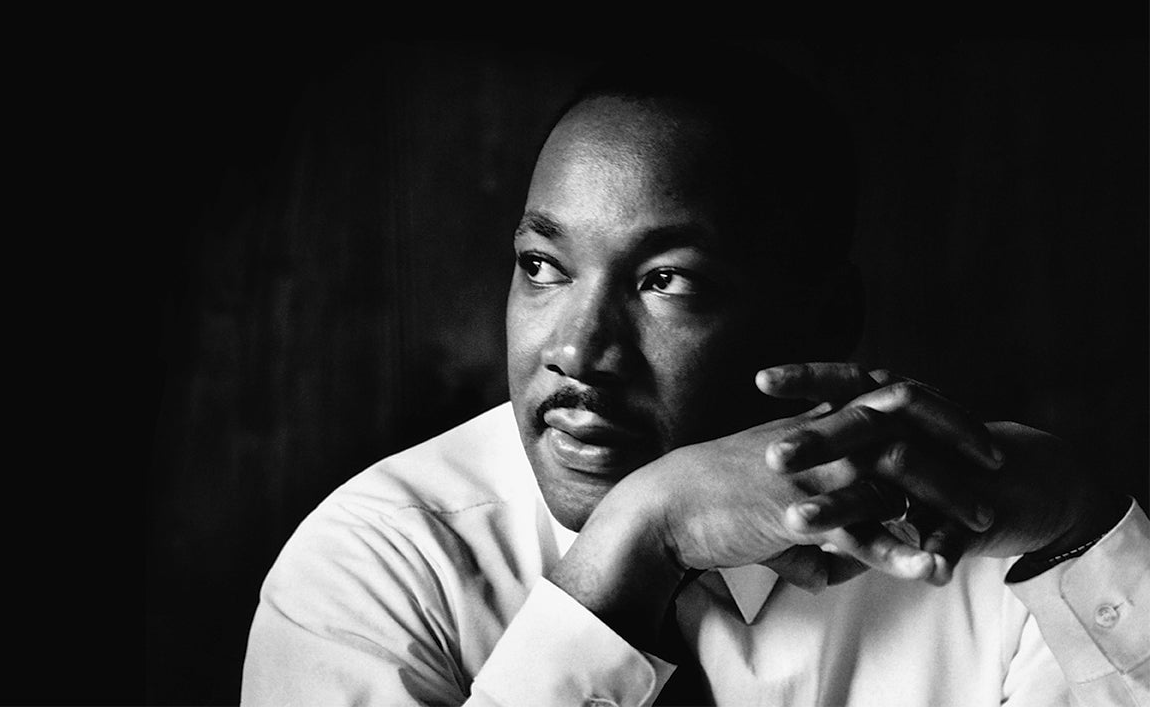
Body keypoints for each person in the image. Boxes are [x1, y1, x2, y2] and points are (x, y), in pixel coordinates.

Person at [241, 51, 1149, 706]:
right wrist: (638, 543)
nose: (578, 351)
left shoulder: (980, 555)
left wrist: (1086, 529)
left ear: (827, 321)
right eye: (542, 266)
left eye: (666, 281)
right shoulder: (381, 563)